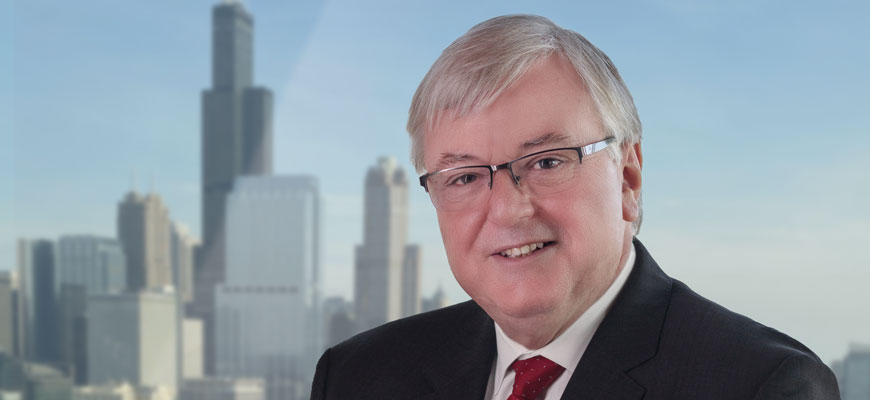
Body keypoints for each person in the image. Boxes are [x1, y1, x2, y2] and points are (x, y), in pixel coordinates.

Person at [310, 14, 839, 400]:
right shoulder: (358, 376)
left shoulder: (762, 385)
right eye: (465, 176)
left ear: (628, 178)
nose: (507, 211)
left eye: (545, 162)